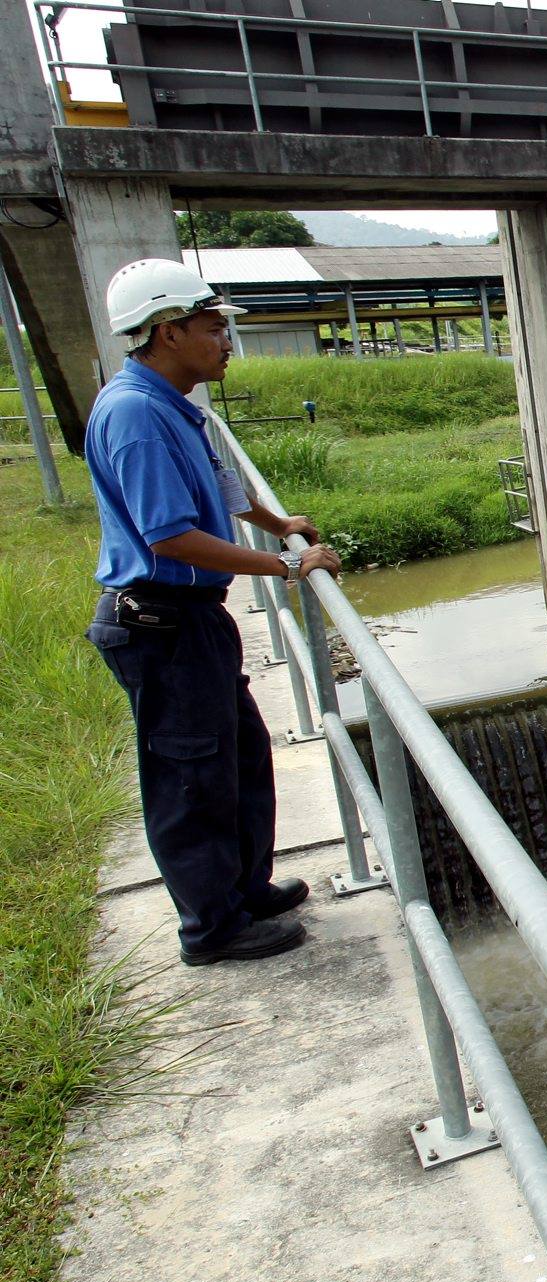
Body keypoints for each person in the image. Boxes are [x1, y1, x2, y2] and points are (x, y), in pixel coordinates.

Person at [83, 258, 343, 965]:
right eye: (212, 327)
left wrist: (276, 519)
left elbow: (224, 492)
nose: (225, 340)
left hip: (193, 620)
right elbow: (169, 534)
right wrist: (287, 564)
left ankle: (243, 890)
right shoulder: (136, 414)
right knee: (190, 777)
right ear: (167, 332)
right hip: (162, 623)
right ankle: (212, 929)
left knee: (239, 756)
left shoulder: (172, 404)